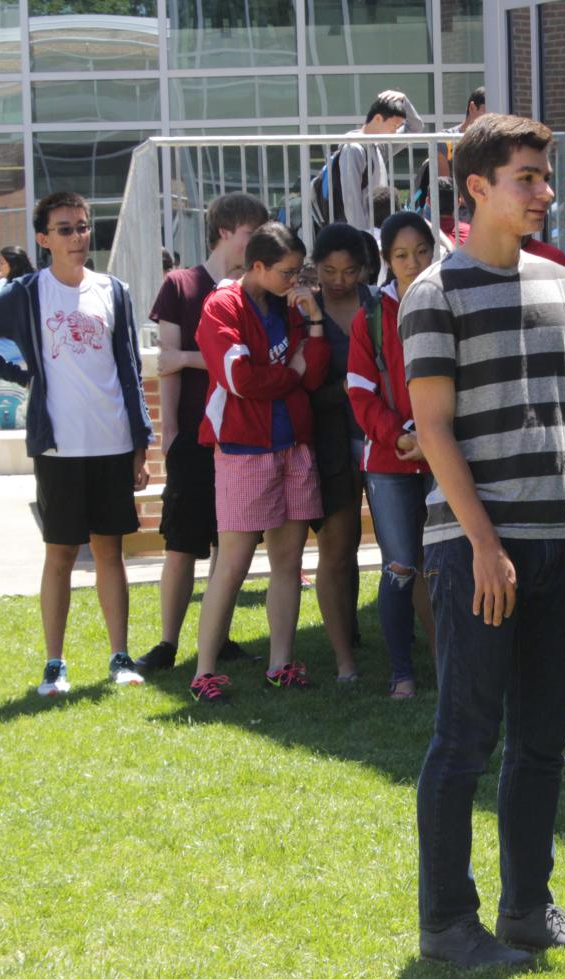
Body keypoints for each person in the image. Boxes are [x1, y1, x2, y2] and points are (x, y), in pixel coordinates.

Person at [402, 113, 565, 968]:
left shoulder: (557, 284)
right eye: (527, 177)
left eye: (545, 176)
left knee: (542, 737)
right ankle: (448, 924)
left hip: (554, 541)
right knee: (465, 735)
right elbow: (435, 430)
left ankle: (529, 910)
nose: (545, 192)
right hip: (473, 549)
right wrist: (485, 545)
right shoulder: (434, 293)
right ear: (476, 185)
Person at [0, 191, 154, 697]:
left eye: (82, 226)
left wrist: (140, 443)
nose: (78, 237)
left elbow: (130, 370)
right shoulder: (28, 293)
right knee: (59, 554)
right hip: (58, 448)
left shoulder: (113, 291)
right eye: (65, 229)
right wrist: (22, 374)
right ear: (43, 238)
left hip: (113, 443)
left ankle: (120, 657)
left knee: (109, 551)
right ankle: (55, 665)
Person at [191, 222, 330, 704]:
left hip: (294, 444)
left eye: (299, 271)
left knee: (288, 562)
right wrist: (289, 371)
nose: (298, 281)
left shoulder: (292, 306)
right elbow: (241, 380)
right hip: (244, 449)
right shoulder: (221, 305)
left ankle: (281, 664)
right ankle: (204, 672)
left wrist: (313, 322)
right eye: (288, 273)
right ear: (257, 267)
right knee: (232, 564)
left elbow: (313, 375)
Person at [135, 192, 268, 673]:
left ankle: (221, 636)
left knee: (228, 544)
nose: (257, 244)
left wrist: (195, 357)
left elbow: (187, 359)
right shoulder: (181, 285)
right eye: (251, 234)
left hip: (240, 437)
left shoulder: (256, 290)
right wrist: (168, 432)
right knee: (182, 543)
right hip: (193, 435)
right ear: (225, 231)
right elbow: (164, 366)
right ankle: (168, 643)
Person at [348, 211, 438, 699]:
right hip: (390, 459)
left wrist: (432, 437)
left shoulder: (451, 301)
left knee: (451, 562)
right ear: (386, 260)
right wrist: (401, 435)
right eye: (401, 255)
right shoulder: (370, 316)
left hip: (444, 453)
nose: (413, 262)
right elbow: (360, 390)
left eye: (422, 252)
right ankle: (402, 671)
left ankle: (455, 662)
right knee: (401, 566)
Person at [307, 224, 371, 681]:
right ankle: (343, 649)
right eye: (329, 270)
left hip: (385, 438)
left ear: (364, 270)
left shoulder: (380, 304)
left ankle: (402, 631)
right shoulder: (305, 310)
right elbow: (303, 382)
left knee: (402, 548)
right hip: (330, 440)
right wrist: (347, 391)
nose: (338, 280)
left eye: (349, 271)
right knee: (337, 546)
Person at [329, 90, 424, 232]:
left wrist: (404, 100)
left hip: (378, 232)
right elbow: (352, 202)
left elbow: (416, 127)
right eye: (394, 126)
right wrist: (362, 238)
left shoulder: (379, 146)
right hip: (365, 236)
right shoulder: (354, 149)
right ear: (378, 119)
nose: (395, 132)